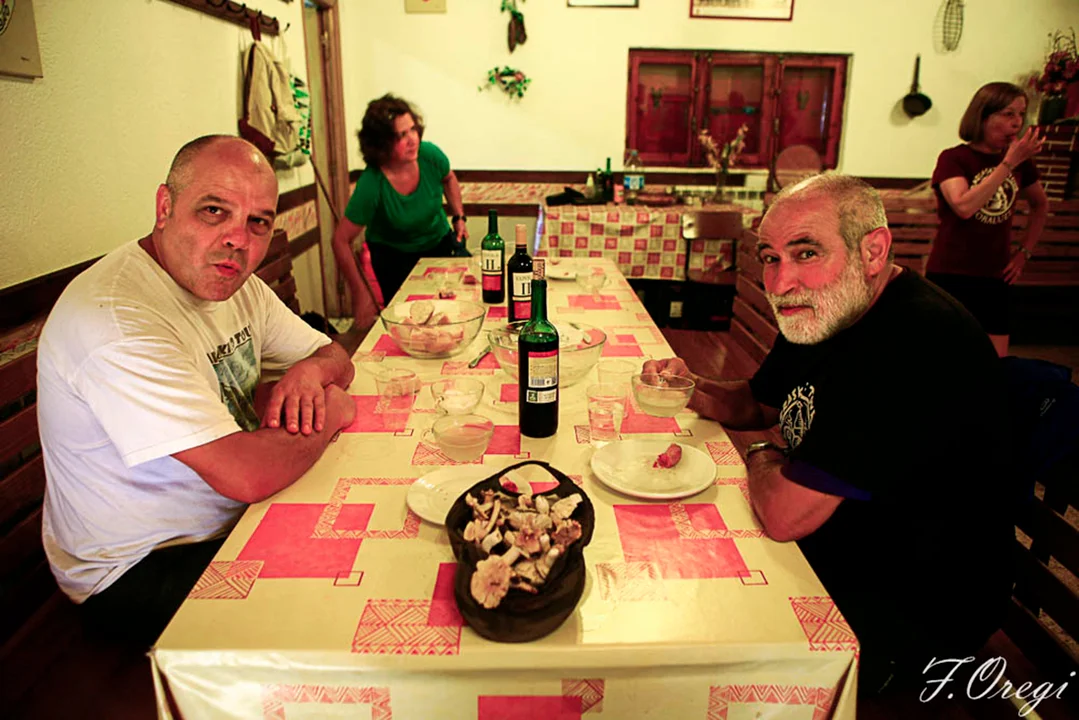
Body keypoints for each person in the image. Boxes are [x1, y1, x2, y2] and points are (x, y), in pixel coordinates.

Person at [646, 173, 1014, 702]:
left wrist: (762, 453)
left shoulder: (913, 344)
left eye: (807, 253)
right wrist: (690, 388)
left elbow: (784, 515)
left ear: (873, 251)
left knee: (676, 644)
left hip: (913, 613)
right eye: (770, 258)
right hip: (843, 547)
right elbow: (759, 402)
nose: (779, 283)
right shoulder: (831, 308)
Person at [37, 135, 357, 647]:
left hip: (231, 520)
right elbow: (246, 474)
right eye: (214, 211)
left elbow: (334, 355)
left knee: (370, 533)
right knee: (337, 605)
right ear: (164, 207)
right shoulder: (117, 319)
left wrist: (309, 373)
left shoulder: (237, 286)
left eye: (258, 222)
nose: (238, 240)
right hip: (140, 567)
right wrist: (333, 411)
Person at [927, 81, 1049, 357]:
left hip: (995, 273)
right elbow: (963, 206)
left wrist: (1024, 253)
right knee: (941, 355)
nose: (1016, 123)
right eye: (1008, 114)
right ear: (983, 116)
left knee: (995, 360)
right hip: (951, 270)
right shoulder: (954, 158)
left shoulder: (1021, 163)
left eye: (1021, 114)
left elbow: (1040, 205)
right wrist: (1008, 164)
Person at [332, 94, 469, 316]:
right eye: (401, 135)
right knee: (408, 319)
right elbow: (340, 240)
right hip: (393, 259)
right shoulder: (372, 182)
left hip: (439, 245)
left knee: (449, 310)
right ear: (382, 144)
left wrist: (459, 217)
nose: (412, 139)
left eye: (413, 130)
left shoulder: (430, 155)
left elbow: (448, 178)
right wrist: (360, 292)